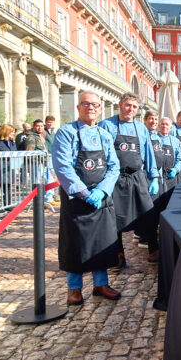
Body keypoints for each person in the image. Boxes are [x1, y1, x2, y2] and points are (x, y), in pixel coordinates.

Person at [51, 90, 121, 305]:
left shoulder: (106, 135)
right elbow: (62, 166)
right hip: (77, 199)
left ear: (100, 109)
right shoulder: (66, 133)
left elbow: (114, 166)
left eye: (95, 105)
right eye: (85, 104)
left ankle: (101, 283)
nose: (90, 107)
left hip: (101, 197)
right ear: (78, 107)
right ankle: (74, 288)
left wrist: (102, 190)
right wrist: (83, 192)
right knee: (76, 244)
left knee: (102, 243)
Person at [98, 92, 159, 271]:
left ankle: (153, 250)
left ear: (137, 109)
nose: (130, 109)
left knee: (148, 212)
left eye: (134, 107)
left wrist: (154, 176)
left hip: (137, 176)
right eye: (127, 105)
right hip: (115, 179)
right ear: (120, 105)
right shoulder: (106, 125)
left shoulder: (141, 128)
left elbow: (148, 153)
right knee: (114, 217)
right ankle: (118, 256)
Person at [142, 111, 181, 262]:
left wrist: (176, 169)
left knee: (169, 213)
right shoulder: (153, 139)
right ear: (159, 126)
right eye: (162, 124)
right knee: (153, 215)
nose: (164, 126)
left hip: (171, 180)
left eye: (167, 124)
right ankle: (153, 249)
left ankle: (169, 245)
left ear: (171, 127)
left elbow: (179, 158)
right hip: (155, 180)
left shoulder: (175, 141)